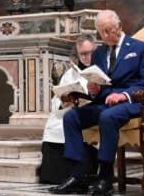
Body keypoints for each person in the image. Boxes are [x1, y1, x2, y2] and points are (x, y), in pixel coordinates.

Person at [50, 10, 144, 195]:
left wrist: (123, 95)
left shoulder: (140, 48)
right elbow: (101, 83)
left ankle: (105, 176)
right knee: (71, 117)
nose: (105, 36)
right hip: (105, 102)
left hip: (135, 102)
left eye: (108, 31)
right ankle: (78, 175)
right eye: (101, 32)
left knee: (107, 117)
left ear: (120, 27)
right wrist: (94, 89)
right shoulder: (99, 53)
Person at [38, 34, 99, 184]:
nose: (86, 57)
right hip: (69, 109)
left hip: (90, 111)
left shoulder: (101, 70)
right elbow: (56, 100)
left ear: (96, 50)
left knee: (71, 121)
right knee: (54, 125)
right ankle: (56, 176)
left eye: (89, 53)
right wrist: (62, 101)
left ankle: (79, 174)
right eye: (82, 54)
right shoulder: (71, 73)